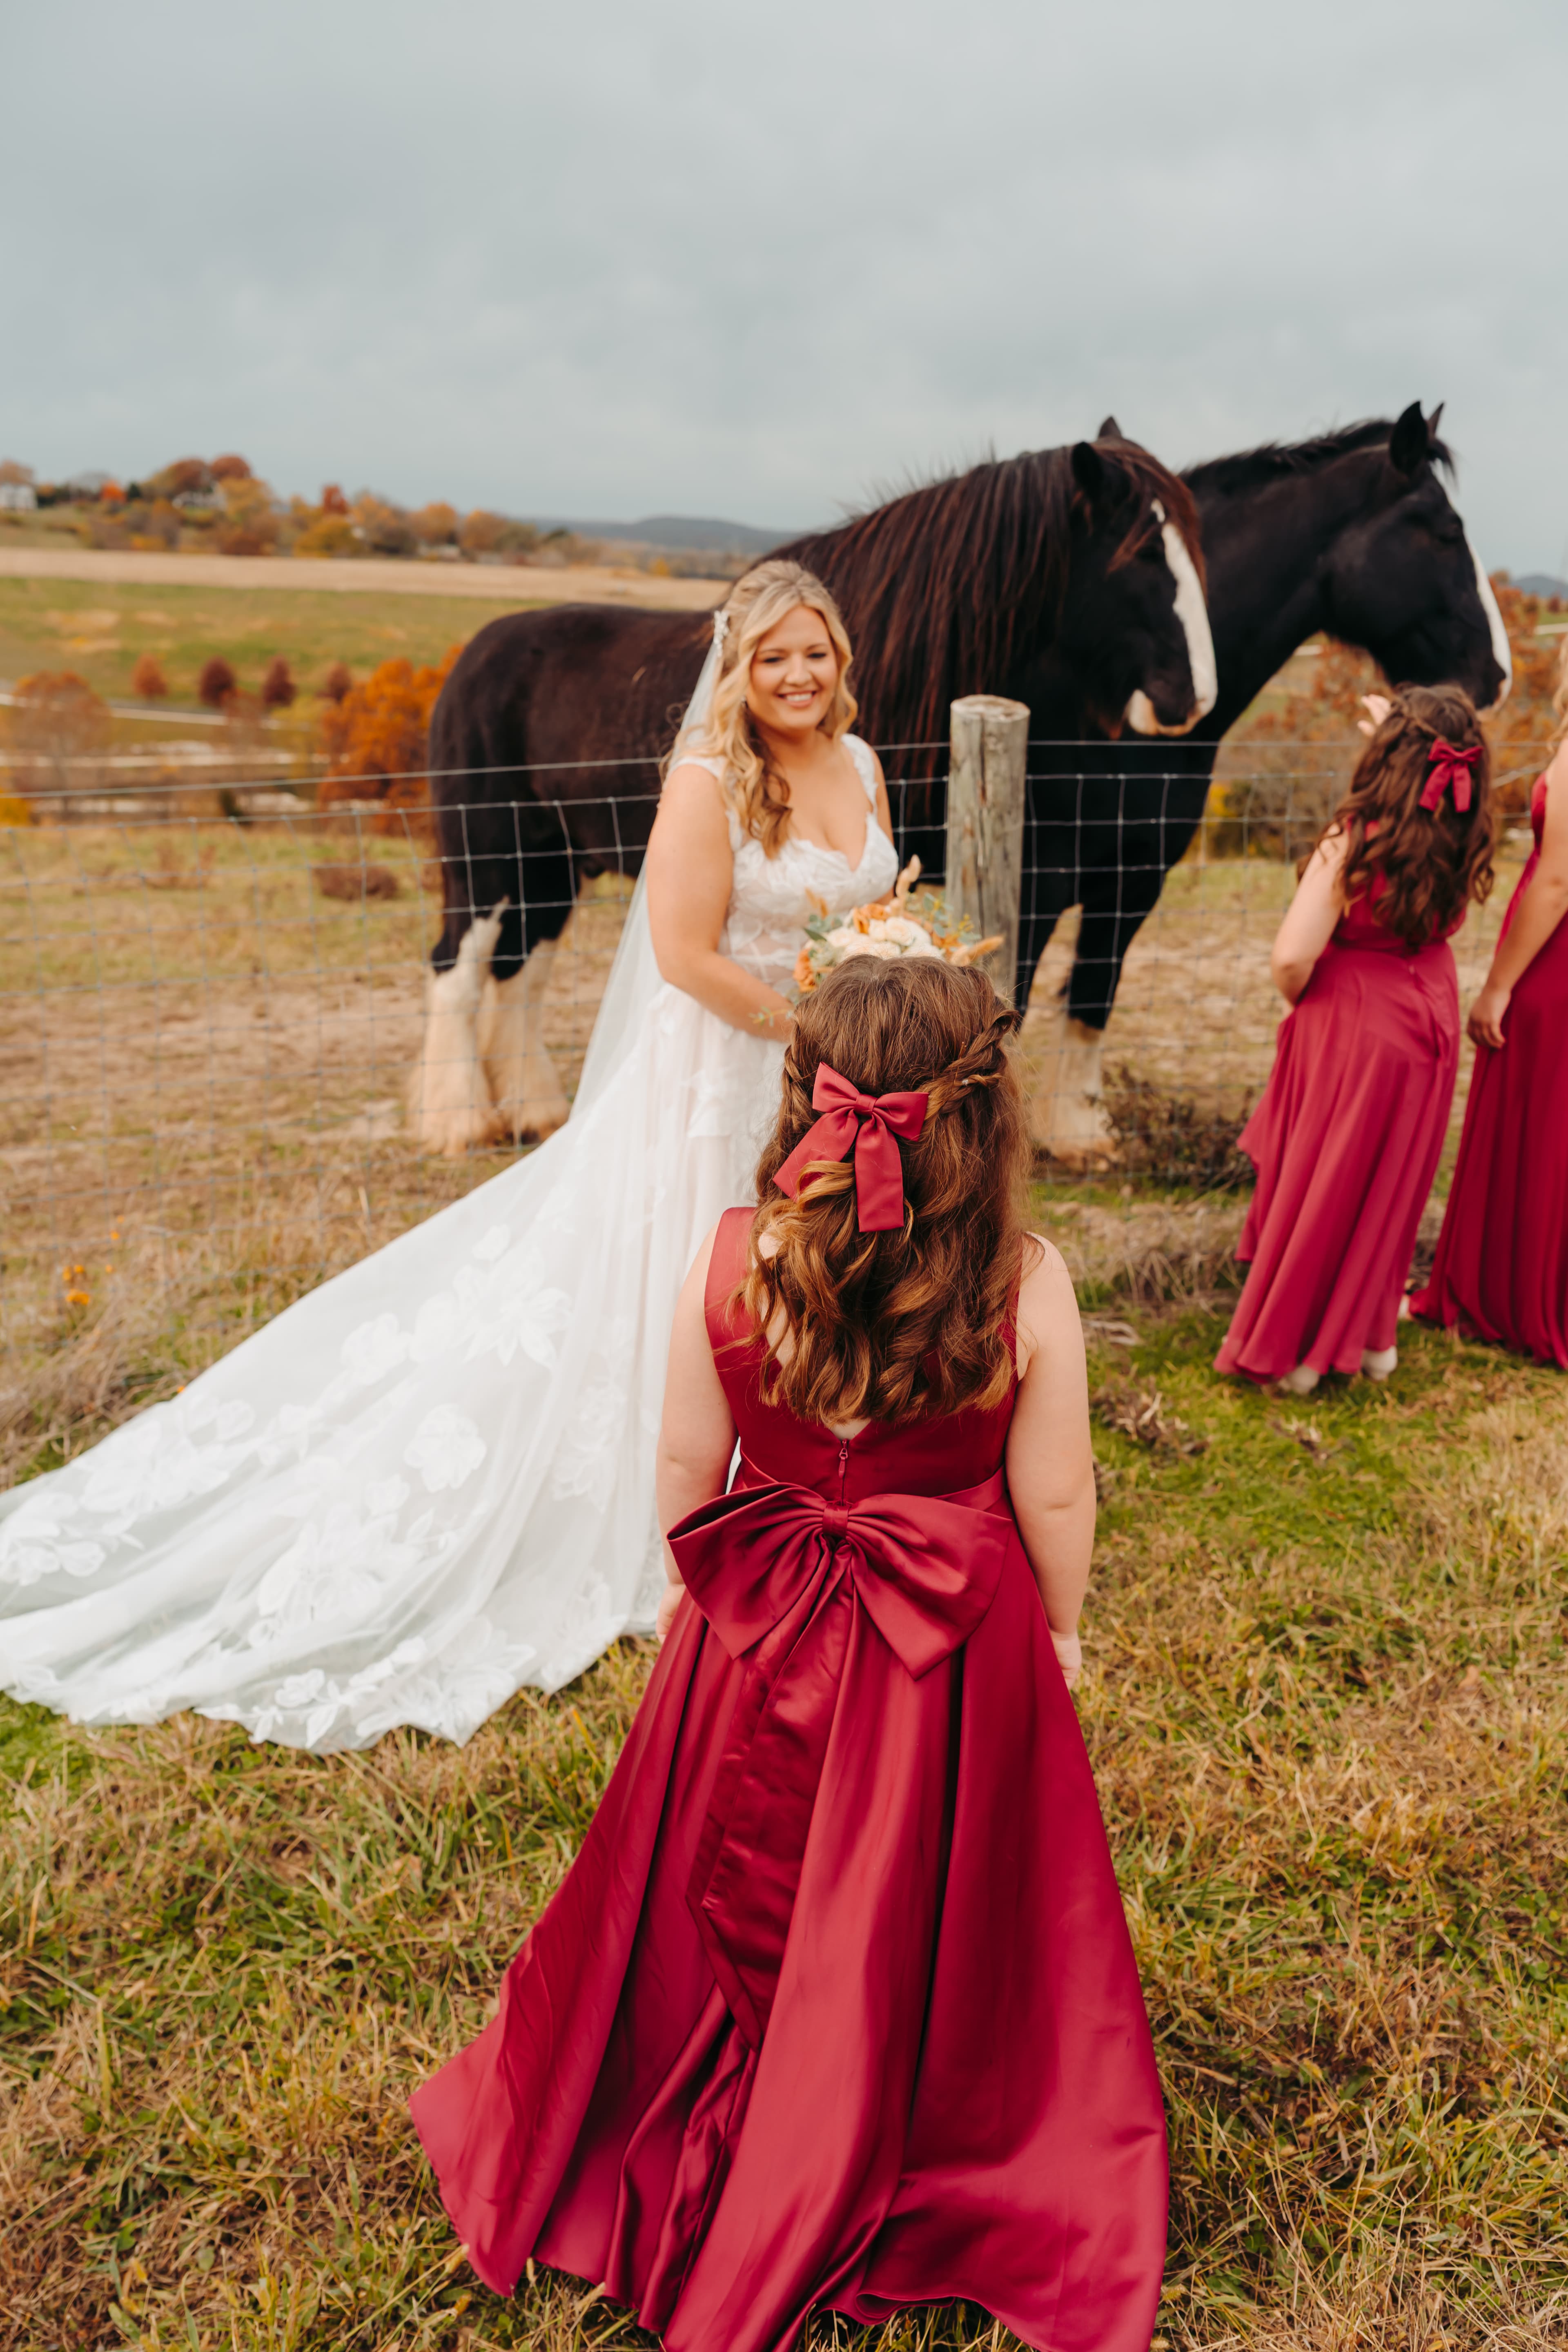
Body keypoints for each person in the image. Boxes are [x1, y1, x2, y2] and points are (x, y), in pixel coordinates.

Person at [0, 561, 901, 1751]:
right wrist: (822, 1034)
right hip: (724, 1077)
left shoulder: (866, 764)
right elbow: (684, 954)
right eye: (773, 655)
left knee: (800, 1269)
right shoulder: (708, 779)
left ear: (841, 659)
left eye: (816, 653)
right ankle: (690, 1503)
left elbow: (870, 913)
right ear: (737, 666)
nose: (798, 675)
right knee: (696, 1277)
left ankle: (799, 1470)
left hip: (828, 1080)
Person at [411, 955, 1167, 2352]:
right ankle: (908, 2106)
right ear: (983, 1119)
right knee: (931, 1897)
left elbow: (689, 1460)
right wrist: (1057, 1629)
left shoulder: (735, 1254)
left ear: (808, 1101)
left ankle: (719, 2086)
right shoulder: (1026, 1282)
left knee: (707, 1883)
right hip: (947, 1652)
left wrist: (718, 1601)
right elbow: (1055, 1492)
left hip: (752, 1631)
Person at [1216, 686, 1494, 1393]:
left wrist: (1306, 1006)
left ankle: (1301, 1354)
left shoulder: (1355, 836)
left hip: (1357, 1019)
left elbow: (1291, 956)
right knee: (1389, 1184)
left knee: (1328, 1182)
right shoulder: (1464, 824)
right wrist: (1395, 733)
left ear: (1391, 760)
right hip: (1429, 1008)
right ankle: (1372, 1339)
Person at [1412, 641, 1568, 1364]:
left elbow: (1557, 881)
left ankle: (1514, 1299)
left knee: (1539, 1121)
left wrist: (1500, 984)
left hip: (1552, 966)